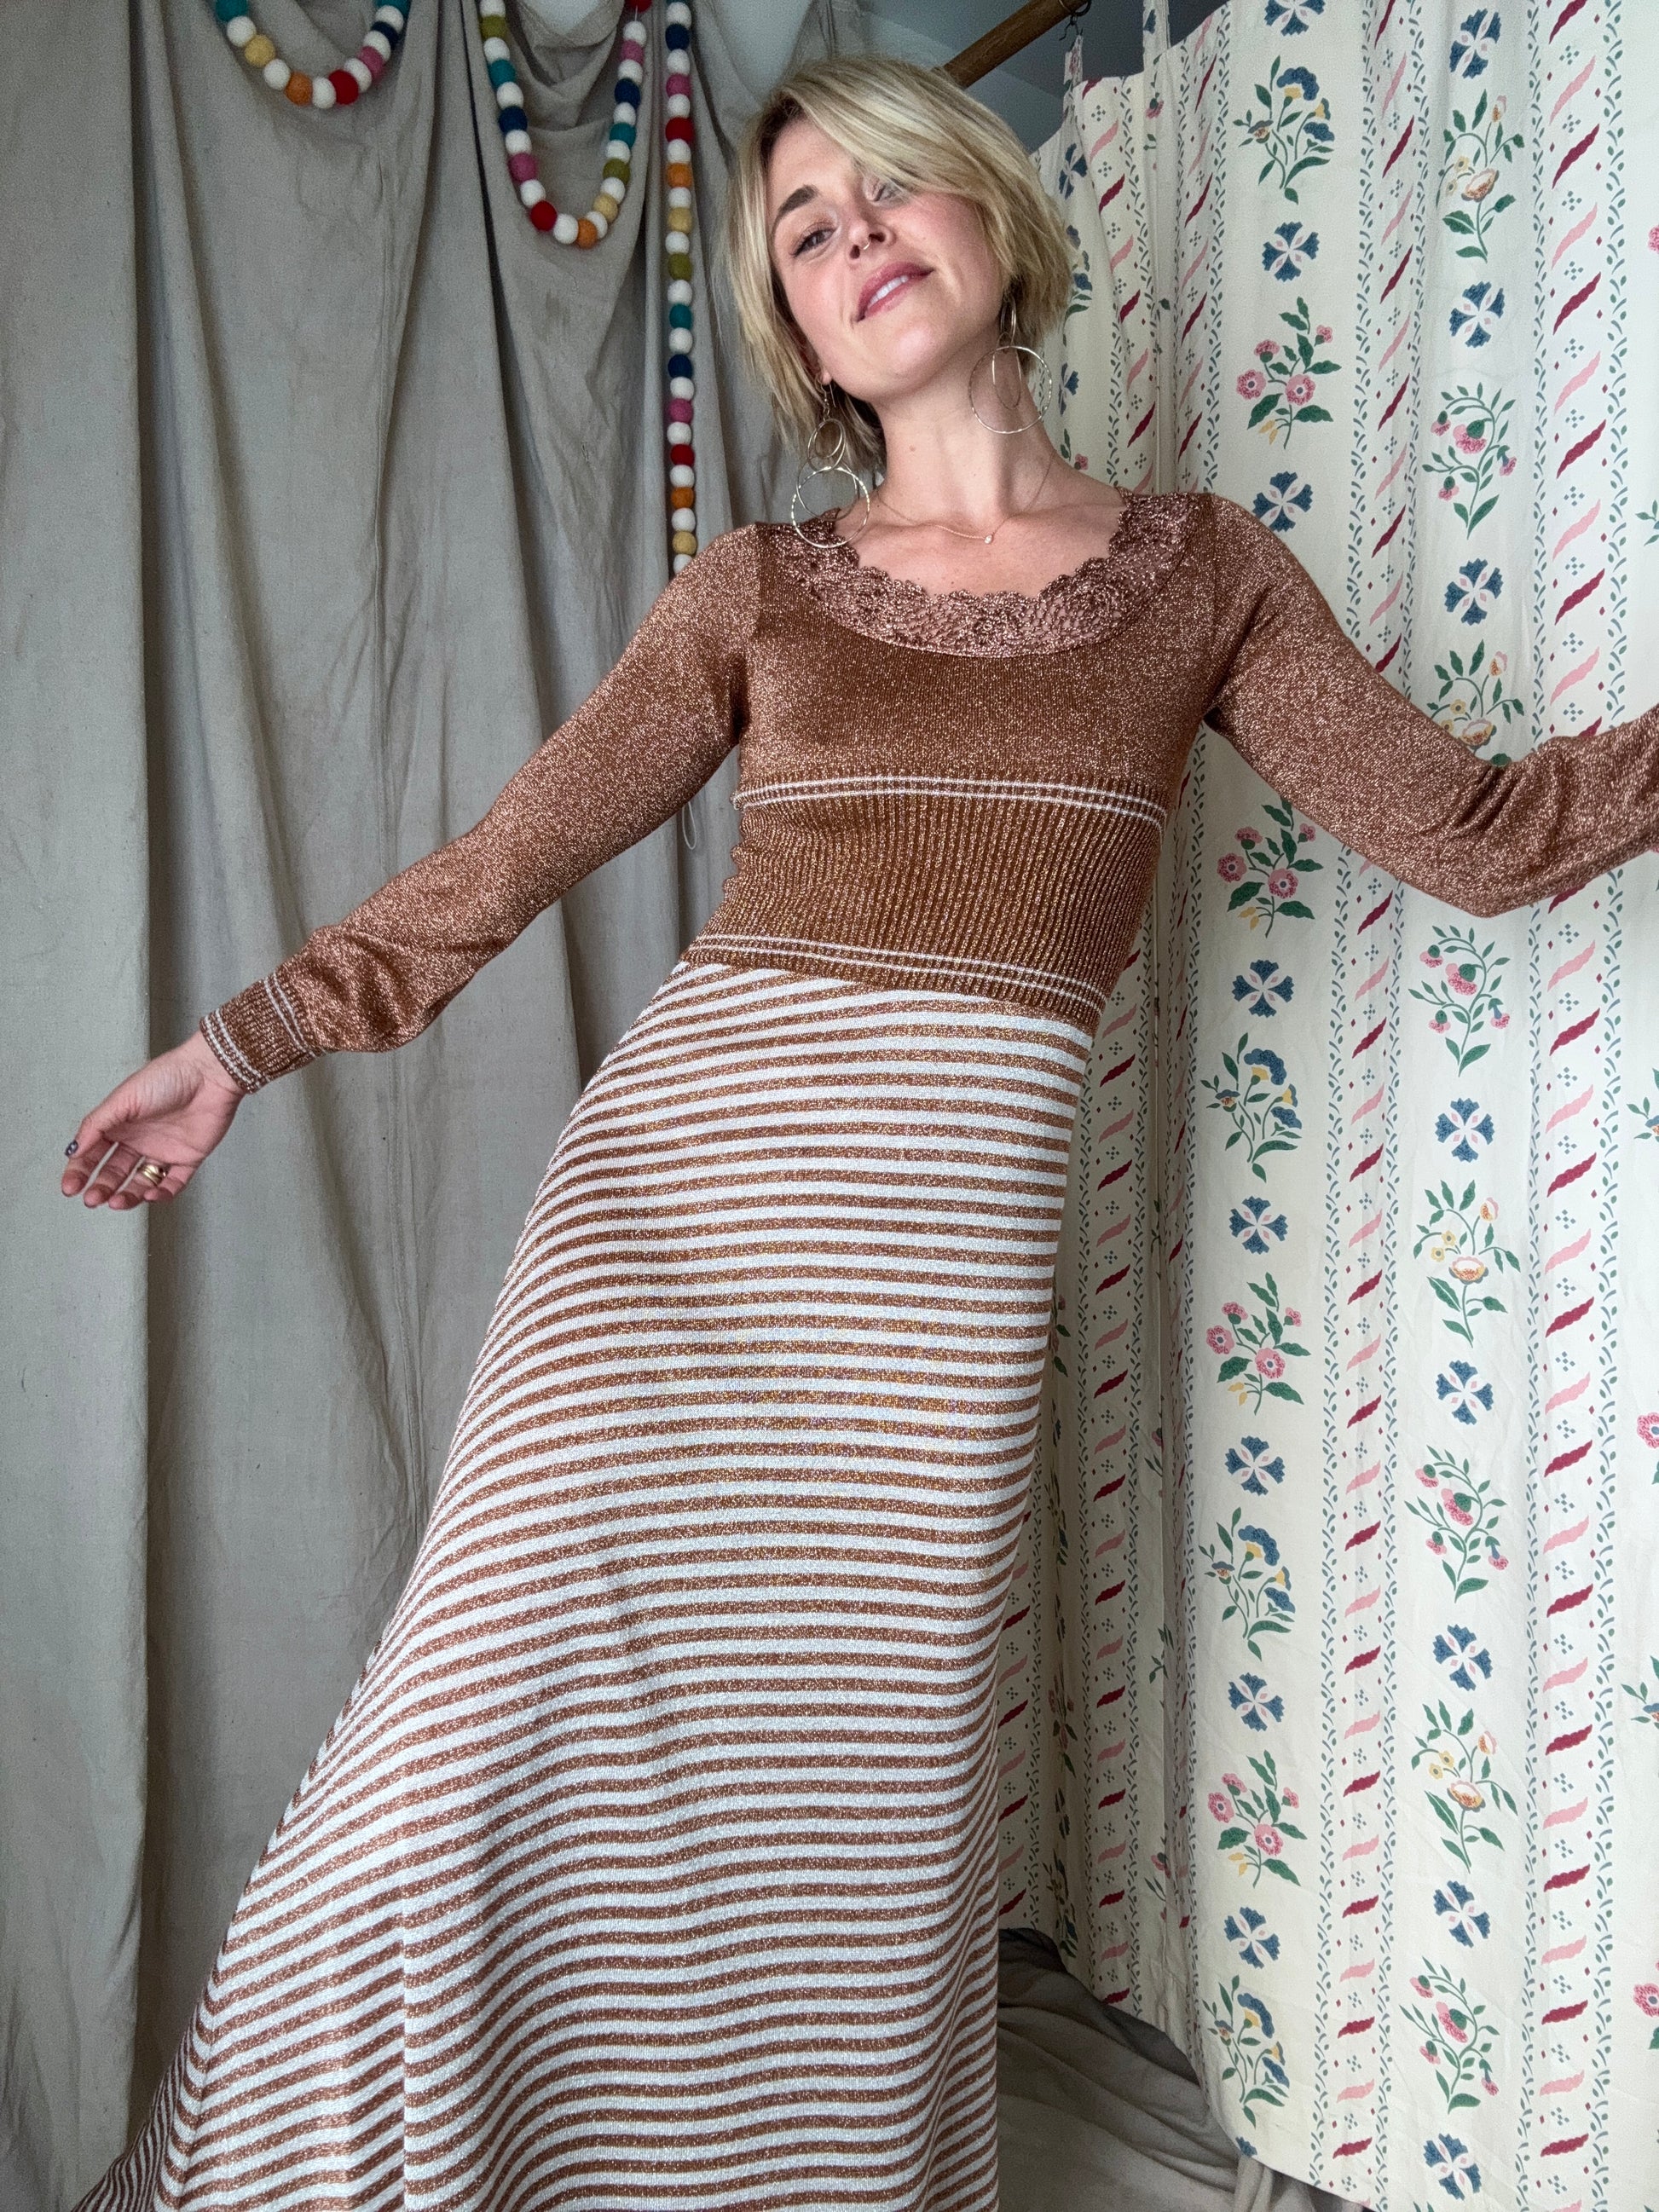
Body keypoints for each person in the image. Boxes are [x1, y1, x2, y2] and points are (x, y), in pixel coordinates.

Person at [61, 50, 1659, 2212]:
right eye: (803, 233)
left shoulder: (1202, 573)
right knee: (449, 1769)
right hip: (667, 1235)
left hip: (926, 1309)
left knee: (836, 1814)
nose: (854, 243)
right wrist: (242, 1042)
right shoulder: (759, 589)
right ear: (798, 330)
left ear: (989, 214)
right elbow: (504, 863)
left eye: (885, 192)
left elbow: (1478, 830)